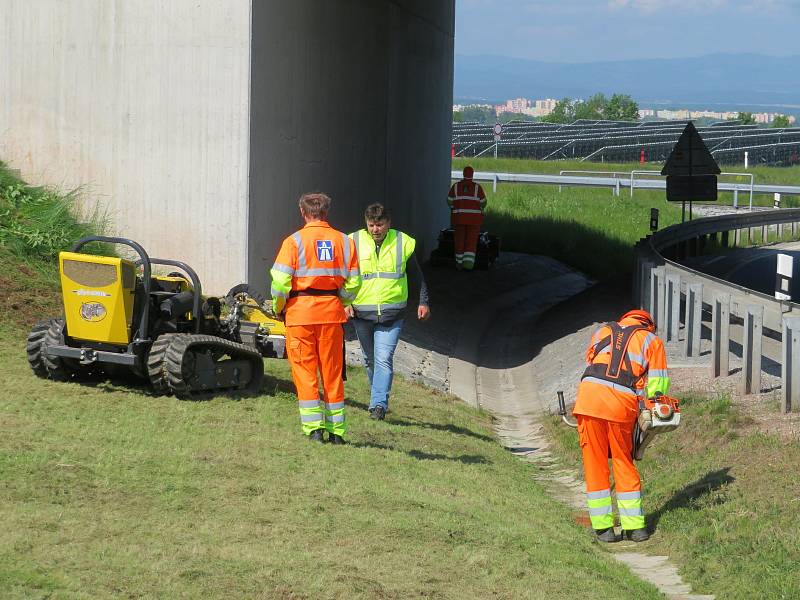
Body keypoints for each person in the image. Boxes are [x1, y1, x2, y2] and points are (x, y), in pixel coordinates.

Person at [269, 192, 361, 444]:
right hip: (331, 315)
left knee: (305, 371)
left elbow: (279, 283)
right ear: (326, 212)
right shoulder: (345, 242)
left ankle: (314, 430)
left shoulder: (293, 242)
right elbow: (354, 283)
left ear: (303, 212)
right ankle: (337, 432)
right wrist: (339, 301)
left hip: (300, 315)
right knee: (332, 372)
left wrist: (279, 306)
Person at [572, 309, 670, 543]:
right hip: (620, 406)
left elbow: (592, 364)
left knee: (595, 464)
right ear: (649, 325)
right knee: (623, 462)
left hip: (587, 401)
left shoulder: (601, 331)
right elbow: (658, 386)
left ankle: (604, 530)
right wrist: (651, 412)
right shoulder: (652, 341)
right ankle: (635, 529)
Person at [344, 203, 430, 420]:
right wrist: (344, 302)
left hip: (392, 314)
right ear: (366, 224)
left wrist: (423, 301)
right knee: (369, 359)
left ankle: (378, 405)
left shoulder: (402, 242)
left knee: (383, 358)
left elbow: (416, 275)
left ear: (388, 223)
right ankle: (377, 396)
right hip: (362, 313)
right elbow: (342, 275)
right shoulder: (353, 242)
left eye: (380, 224)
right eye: (371, 225)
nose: (376, 229)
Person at [447, 165, 486, 270]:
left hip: (459, 219)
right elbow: (483, 202)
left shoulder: (455, 186)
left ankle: (459, 264)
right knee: (471, 242)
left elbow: (449, 201)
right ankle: (468, 265)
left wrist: (454, 208)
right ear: (472, 174)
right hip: (474, 220)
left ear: (463, 174)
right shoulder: (478, 187)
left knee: (459, 240)